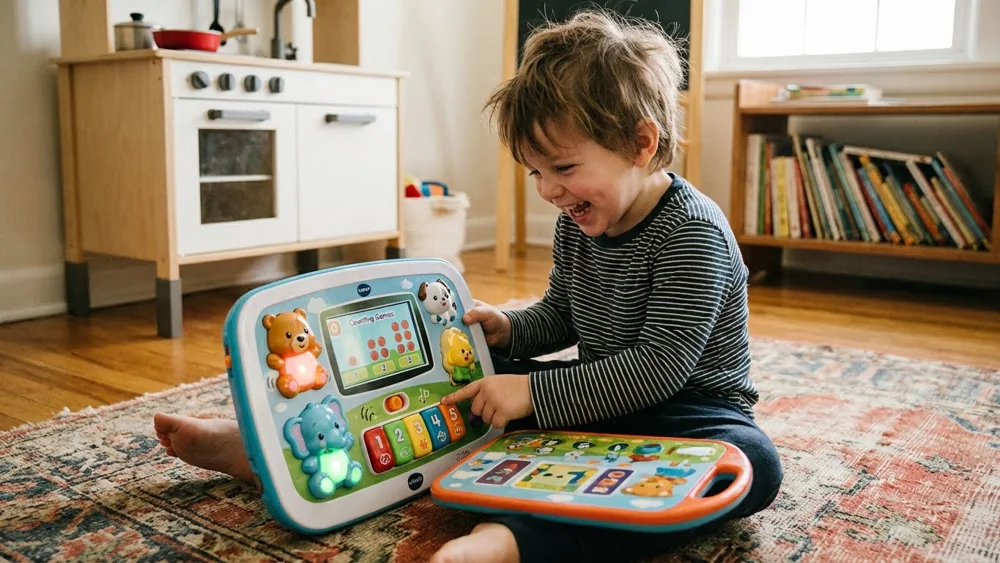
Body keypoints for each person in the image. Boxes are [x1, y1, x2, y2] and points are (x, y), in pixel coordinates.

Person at [153, 9, 782, 563]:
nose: (549, 191)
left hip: (690, 415)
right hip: (597, 403)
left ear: (641, 144)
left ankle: (517, 542)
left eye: (564, 168)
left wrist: (531, 392)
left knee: (753, 464)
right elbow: (563, 315)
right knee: (473, 369)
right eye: (535, 171)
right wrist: (508, 329)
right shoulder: (579, 220)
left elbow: (657, 370)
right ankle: (270, 453)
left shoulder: (691, 234)